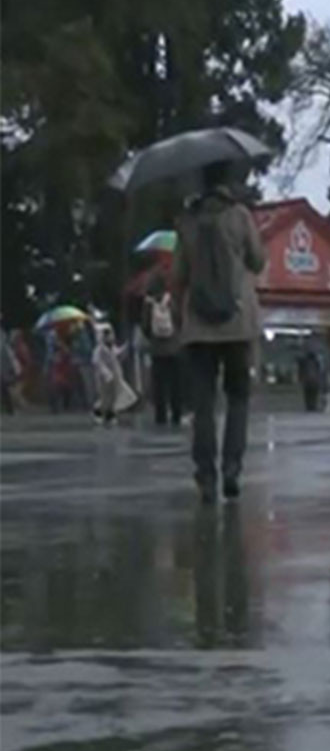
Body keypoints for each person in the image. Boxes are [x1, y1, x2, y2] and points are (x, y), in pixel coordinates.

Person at [175, 160, 266, 502]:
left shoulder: (187, 221)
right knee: (238, 399)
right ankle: (232, 468)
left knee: (203, 405)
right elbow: (258, 260)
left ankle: (205, 476)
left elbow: (179, 275)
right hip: (237, 323)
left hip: (198, 327)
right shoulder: (240, 215)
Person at [144, 277, 184, 426]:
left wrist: (153, 338)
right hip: (175, 349)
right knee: (175, 384)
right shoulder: (172, 301)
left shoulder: (149, 304)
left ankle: (160, 415)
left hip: (157, 350)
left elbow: (145, 326)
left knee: (159, 385)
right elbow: (180, 319)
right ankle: (176, 414)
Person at [91, 324, 137, 425]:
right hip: (104, 379)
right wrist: (106, 373)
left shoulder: (111, 348)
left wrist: (125, 348)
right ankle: (99, 413)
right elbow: (97, 363)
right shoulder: (99, 350)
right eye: (107, 335)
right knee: (104, 398)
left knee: (113, 397)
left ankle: (110, 415)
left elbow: (118, 354)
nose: (110, 337)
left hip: (115, 377)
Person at [297, 346, 326, 413]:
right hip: (314, 381)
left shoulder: (305, 361)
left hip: (307, 381)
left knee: (308, 394)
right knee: (313, 394)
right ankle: (313, 406)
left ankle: (309, 407)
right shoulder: (316, 361)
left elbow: (300, 366)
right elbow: (320, 370)